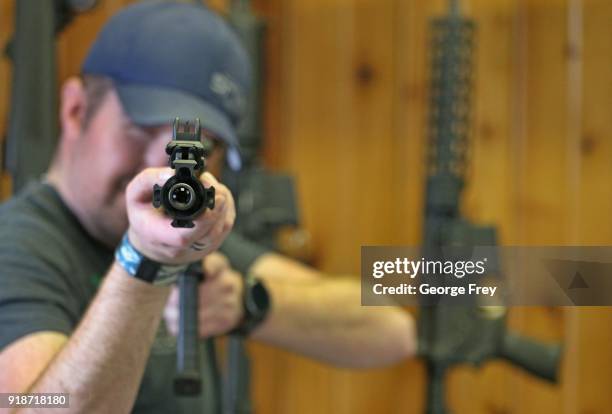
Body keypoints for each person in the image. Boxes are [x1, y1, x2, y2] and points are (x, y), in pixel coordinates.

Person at [0, 2, 416, 413]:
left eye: (200, 147)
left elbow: (392, 329)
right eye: (140, 127)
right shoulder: (16, 248)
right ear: (75, 109)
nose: (160, 166)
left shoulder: (185, 237)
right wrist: (146, 264)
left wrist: (247, 305)